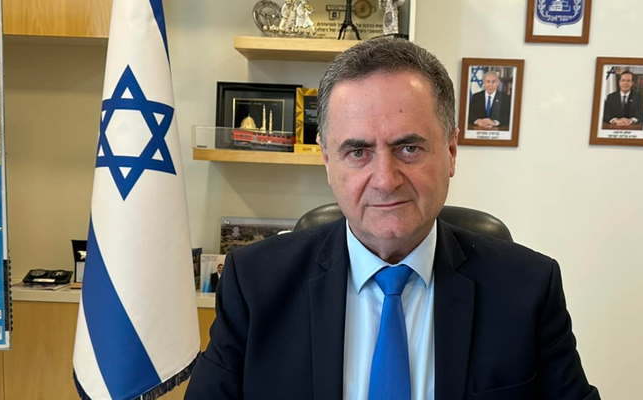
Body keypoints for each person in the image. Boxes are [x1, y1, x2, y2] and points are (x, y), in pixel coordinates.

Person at [186, 37, 599, 400]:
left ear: (451, 151)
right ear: (328, 161)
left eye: (409, 148)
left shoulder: (528, 288)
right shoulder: (255, 284)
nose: (385, 180)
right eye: (357, 152)